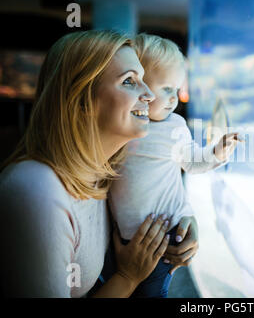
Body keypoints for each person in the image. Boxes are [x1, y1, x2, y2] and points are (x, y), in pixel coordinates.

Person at [0, 30, 176, 298]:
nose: (150, 94)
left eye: (144, 80)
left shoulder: (101, 175)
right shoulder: (36, 188)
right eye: (129, 81)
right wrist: (128, 277)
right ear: (81, 99)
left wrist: (184, 227)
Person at [107, 34, 242, 298]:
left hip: (164, 237)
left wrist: (218, 151)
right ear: (140, 85)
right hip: (124, 239)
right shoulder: (120, 127)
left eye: (177, 90)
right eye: (167, 89)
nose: (175, 98)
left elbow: (193, 162)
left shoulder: (174, 127)